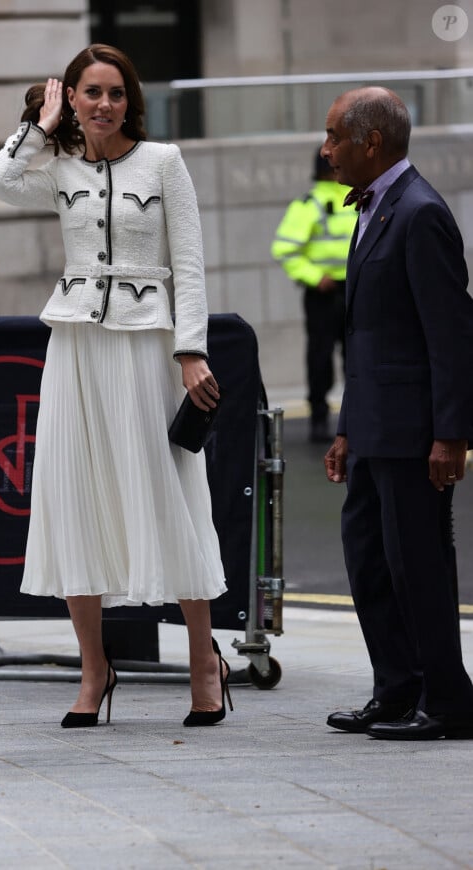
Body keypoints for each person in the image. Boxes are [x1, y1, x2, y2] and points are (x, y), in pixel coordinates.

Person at [0, 44, 233, 729]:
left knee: (167, 489)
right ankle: (95, 669)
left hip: (149, 347)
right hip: (76, 347)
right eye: (90, 92)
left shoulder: (164, 163)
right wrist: (41, 123)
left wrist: (191, 351)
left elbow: (189, 262)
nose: (104, 104)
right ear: (72, 96)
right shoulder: (57, 166)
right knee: (75, 492)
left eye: (115, 93)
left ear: (132, 101)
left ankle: (203, 664)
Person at [322, 86, 473, 740]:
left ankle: (448, 702)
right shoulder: (375, 209)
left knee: (419, 567)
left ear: (370, 143)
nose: (325, 152)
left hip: (414, 436)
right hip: (373, 432)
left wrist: (451, 435)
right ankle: (397, 687)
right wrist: (346, 427)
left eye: (333, 138)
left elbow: (451, 335)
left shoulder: (420, 214)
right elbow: (367, 336)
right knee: (370, 561)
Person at [270, 148, 357, 443]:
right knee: (323, 357)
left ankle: (351, 417)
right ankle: (319, 415)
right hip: (325, 293)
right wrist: (314, 276)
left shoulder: (356, 196)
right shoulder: (312, 204)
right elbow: (284, 248)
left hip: (351, 290)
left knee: (352, 357)